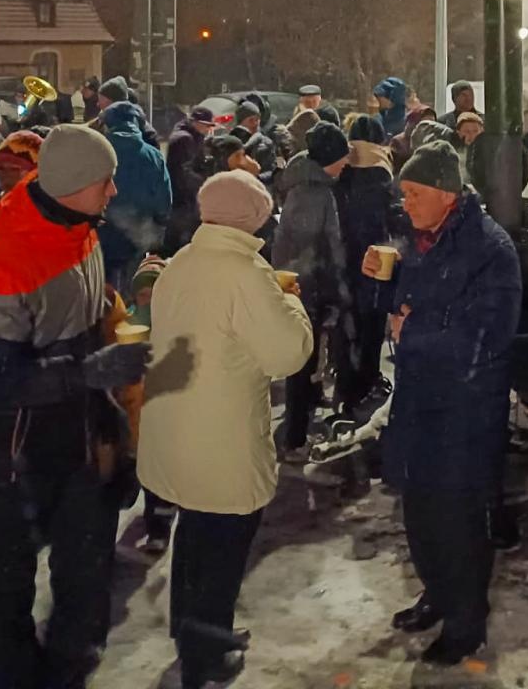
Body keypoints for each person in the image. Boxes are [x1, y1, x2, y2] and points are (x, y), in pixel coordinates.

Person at [0, 125, 151, 689]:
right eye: (104, 182)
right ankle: (10, 674)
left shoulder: (82, 234)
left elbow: (87, 319)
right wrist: (88, 371)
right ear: (70, 185)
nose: (113, 192)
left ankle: (73, 659)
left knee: (86, 562)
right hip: (15, 454)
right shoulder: (3, 264)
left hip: (81, 435)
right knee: (9, 578)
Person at [138, 171, 314, 689]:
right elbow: (287, 353)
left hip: (176, 426)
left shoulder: (183, 262)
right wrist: (293, 303)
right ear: (253, 219)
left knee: (194, 530)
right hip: (221, 437)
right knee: (224, 542)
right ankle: (205, 656)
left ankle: (191, 633)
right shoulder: (245, 271)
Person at [376, 140, 522, 666]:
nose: (405, 202)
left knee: (458, 519)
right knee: (420, 512)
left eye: (414, 193)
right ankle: (437, 594)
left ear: (445, 193)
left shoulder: (490, 249)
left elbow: (484, 338)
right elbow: (408, 308)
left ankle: (466, 624)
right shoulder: (423, 240)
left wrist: (410, 330)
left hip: (465, 409)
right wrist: (384, 286)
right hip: (420, 399)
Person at [275, 123, 352, 457]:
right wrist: (332, 282)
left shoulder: (313, 184)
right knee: (301, 360)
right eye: (342, 157)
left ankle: (299, 426)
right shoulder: (312, 192)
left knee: (306, 358)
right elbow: (310, 247)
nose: (346, 162)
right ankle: (294, 440)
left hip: (307, 284)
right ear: (328, 159)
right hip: (307, 286)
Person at [339, 115, 403, 407]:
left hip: (344, 257)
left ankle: (347, 385)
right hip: (376, 258)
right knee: (372, 322)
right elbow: (392, 218)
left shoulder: (342, 170)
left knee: (348, 323)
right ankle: (367, 381)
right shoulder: (381, 172)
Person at [100, 100, 173, 290]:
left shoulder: (98, 151)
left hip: (101, 231)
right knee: (131, 286)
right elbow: (164, 199)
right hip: (138, 234)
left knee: (101, 289)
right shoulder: (153, 155)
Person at [163, 106, 218, 254]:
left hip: (184, 203)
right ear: (195, 122)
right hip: (183, 204)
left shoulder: (191, 137)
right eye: (207, 126)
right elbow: (183, 174)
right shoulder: (184, 139)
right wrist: (205, 180)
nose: (208, 130)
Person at [232, 100, 280, 184]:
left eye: (257, 119)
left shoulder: (266, 143)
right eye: (251, 120)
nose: (255, 123)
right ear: (241, 122)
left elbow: (272, 171)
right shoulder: (232, 142)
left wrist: (257, 178)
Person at [374, 76, 409, 141]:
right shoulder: (376, 119)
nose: (378, 98)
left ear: (392, 101)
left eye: (381, 95)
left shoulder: (405, 125)